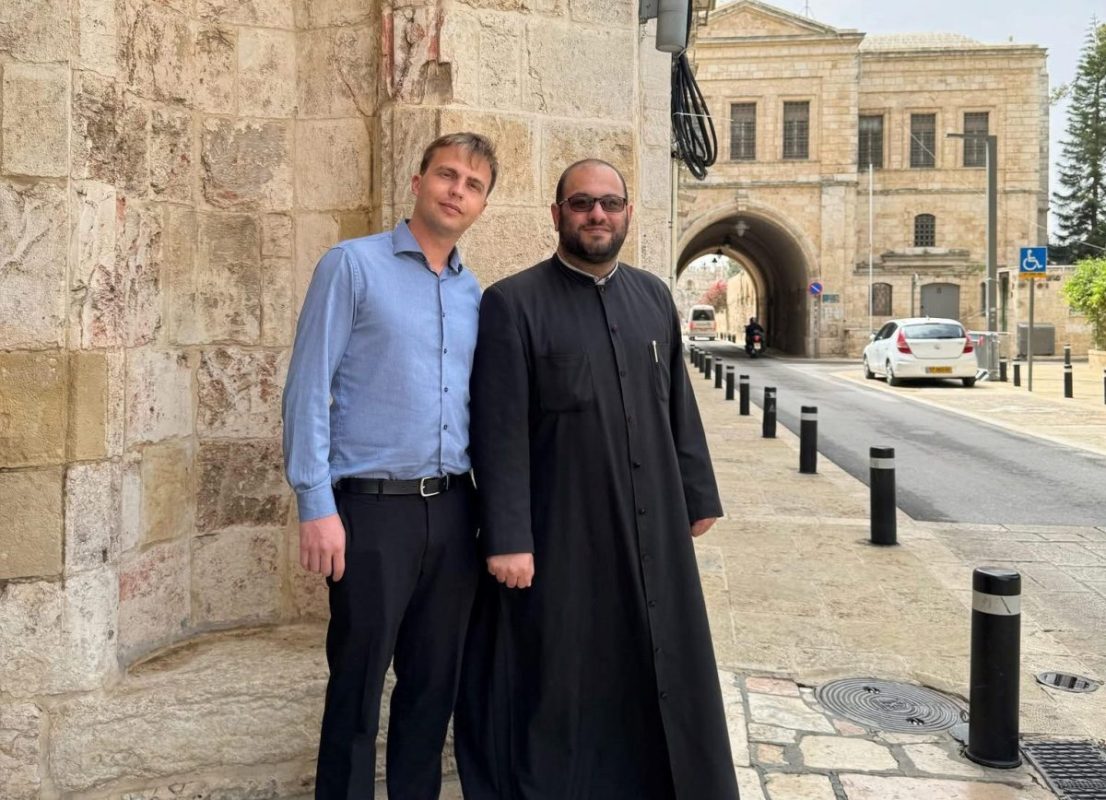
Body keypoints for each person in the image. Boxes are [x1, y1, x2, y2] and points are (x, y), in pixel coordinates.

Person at [456, 159, 738, 800]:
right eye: (582, 203)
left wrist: (696, 494)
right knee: (564, 676)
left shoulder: (653, 298)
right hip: (563, 534)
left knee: (653, 663)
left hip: (653, 526)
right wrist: (507, 536)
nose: (597, 215)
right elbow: (497, 433)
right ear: (556, 215)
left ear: (628, 214)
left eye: (610, 203)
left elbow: (677, 406)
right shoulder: (511, 304)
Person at [281, 132, 498, 800]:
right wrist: (316, 503)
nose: (456, 190)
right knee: (357, 686)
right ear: (418, 180)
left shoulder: (476, 296)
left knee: (433, 691)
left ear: (482, 202)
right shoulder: (351, 266)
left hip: (455, 512)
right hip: (370, 511)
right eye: (447, 175)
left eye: (472, 184)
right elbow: (306, 388)